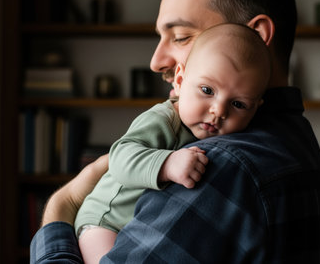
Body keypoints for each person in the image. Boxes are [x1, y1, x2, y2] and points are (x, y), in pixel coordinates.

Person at [30, 0, 320, 264]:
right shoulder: (295, 140)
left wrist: (62, 207)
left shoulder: (220, 166)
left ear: (255, 35)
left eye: (180, 36)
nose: (155, 61)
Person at [74, 23, 271, 264]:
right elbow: (120, 158)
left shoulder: (229, 140)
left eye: (238, 104)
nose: (218, 111)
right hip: (105, 221)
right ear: (179, 79)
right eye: (207, 90)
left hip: (139, 227)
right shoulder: (164, 119)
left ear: (256, 109)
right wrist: (167, 163)